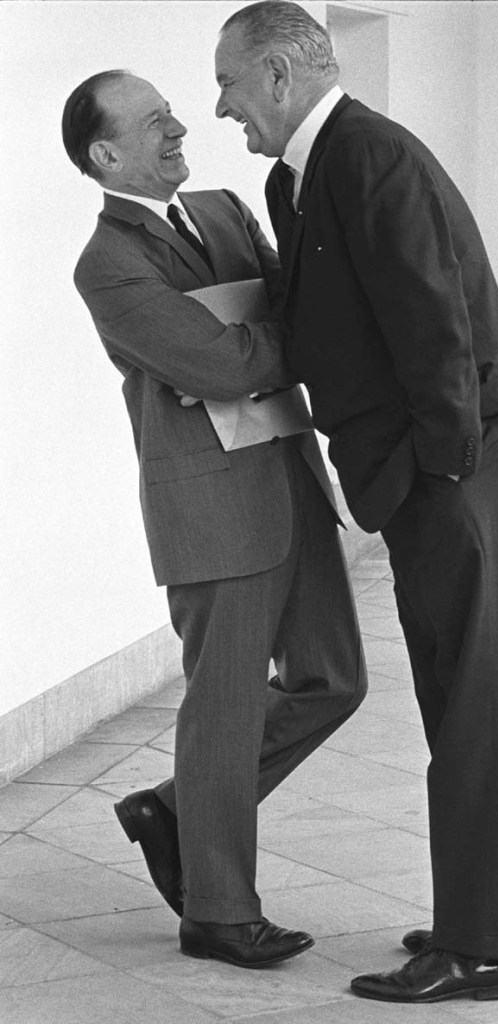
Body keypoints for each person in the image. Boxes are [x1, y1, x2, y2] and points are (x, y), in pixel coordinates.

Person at [212, 1, 498, 1004]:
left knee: (477, 709)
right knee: (471, 704)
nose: (223, 105)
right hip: (446, 470)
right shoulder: (302, 175)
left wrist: (439, 481)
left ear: (278, 75)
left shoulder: (367, 156)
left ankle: (478, 950)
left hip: (470, 466)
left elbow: (434, 325)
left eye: (229, 82)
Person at [62, 70, 367, 969]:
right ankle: (218, 912)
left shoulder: (226, 210)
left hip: (290, 478)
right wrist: (259, 337)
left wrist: (245, 337)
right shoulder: (107, 263)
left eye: (172, 114)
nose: (179, 129)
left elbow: (280, 317)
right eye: (154, 122)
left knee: (333, 682)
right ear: (106, 154)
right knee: (225, 711)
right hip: (211, 509)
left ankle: (171, 810)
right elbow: (223, 366)